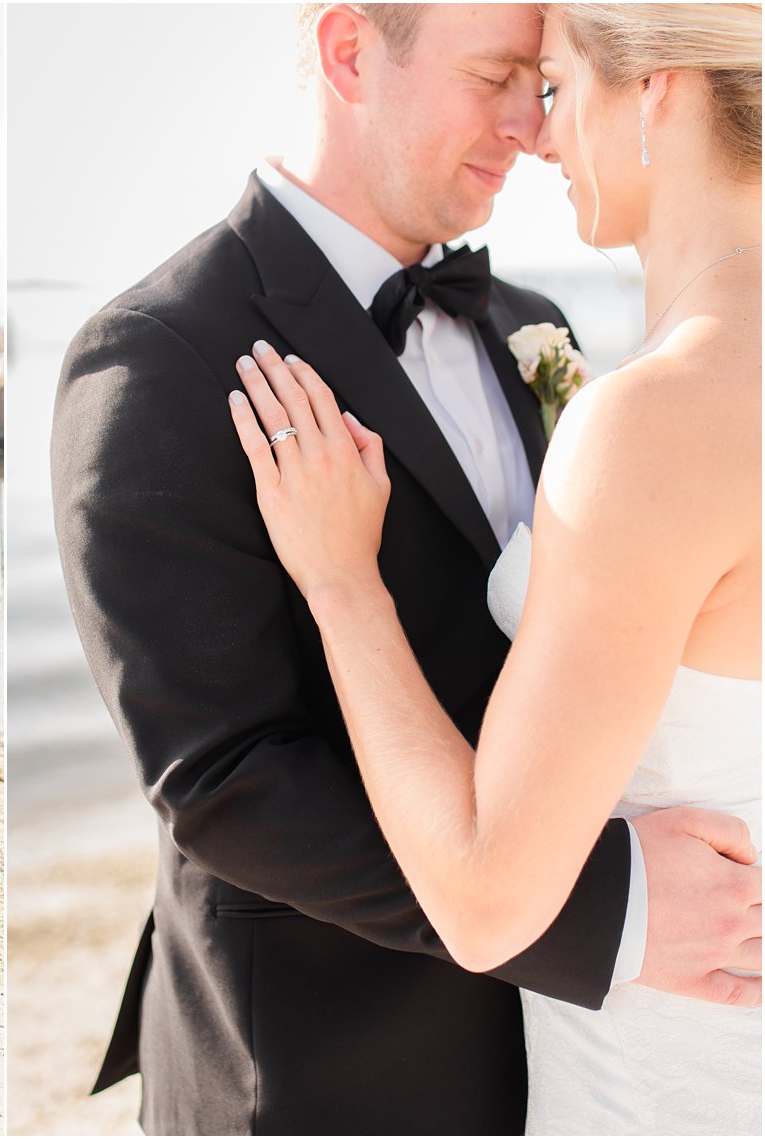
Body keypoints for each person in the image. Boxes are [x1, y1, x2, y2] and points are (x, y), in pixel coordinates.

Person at [50, 3, 757, 1133]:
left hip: (562, 1057)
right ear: (348, 55)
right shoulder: (156, 352)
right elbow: (221, 773)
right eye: (494, 76)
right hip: (323, 1070)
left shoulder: (534, 325)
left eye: (543, 81)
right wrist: (601, 910)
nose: (528, 126)